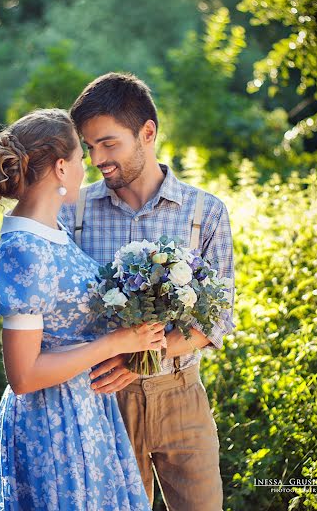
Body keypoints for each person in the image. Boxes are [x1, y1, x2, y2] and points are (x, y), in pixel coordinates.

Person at [0, 108, 165, 511]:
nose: (86, 168)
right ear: (61, 167)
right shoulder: (22, 250)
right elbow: (23, 376)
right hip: (51, 421)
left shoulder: (53, 230)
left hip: (87, 409)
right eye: (79, 158)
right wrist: (116, 341)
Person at [60, 73, 236, 511]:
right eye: (89, 146)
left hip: (181, 396)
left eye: (109, 143)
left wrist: (142, 359)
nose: (98, 158)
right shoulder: (72, 212)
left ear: (148, 132)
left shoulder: (205, 212)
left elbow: (218, 318)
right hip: (102, 400)